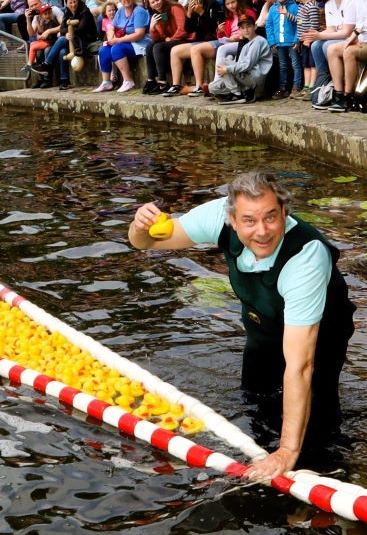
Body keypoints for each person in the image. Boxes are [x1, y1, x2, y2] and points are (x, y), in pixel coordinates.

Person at [128, 171, 354, 479]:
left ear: (284, 213)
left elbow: (300, 365)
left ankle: (332, 477)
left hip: (321, 331)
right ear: (232, 219)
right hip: (262, 325)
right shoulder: (217, 214)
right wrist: (139, 225)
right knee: (256, 401)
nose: (262, 231)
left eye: (271, 218)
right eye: (249, 221)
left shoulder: (306, 257)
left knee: (319, 425)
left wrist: (288, 451)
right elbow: (145, 243)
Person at [94, 0, 152, 93]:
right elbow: (112, 26)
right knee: (104, 50)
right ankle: (106, 82)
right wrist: (111, 37)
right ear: (120, 0)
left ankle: (128, 80)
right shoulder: (120, 11)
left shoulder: (139, 11)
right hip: (125, 41)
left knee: (117, 48)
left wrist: (118, 40)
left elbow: (139, 34)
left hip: (139, 43)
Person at [208, 15, 274, 103]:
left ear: (255, 26)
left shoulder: (259, 41)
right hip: (244, 77)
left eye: (249, 26)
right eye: (242, 28)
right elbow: (239, 63)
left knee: (224, 64)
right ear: (239, 30)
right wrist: (227, 69)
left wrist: (227, 69)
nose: (246, 30)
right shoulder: (246, 45)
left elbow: (247, 65)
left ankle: (237, 94)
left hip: (254, 79)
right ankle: (241, 91)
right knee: (212, 87)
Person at [260, 0, 302, 99]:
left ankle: (296, 86)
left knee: (295, 64)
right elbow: (269, 25)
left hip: (291, 41)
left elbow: (299, 23)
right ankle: (283, 88)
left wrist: (297, 39)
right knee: (283, 65)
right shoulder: (273, 9)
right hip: (279, 42)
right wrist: (271, 40)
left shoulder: (294, 6)